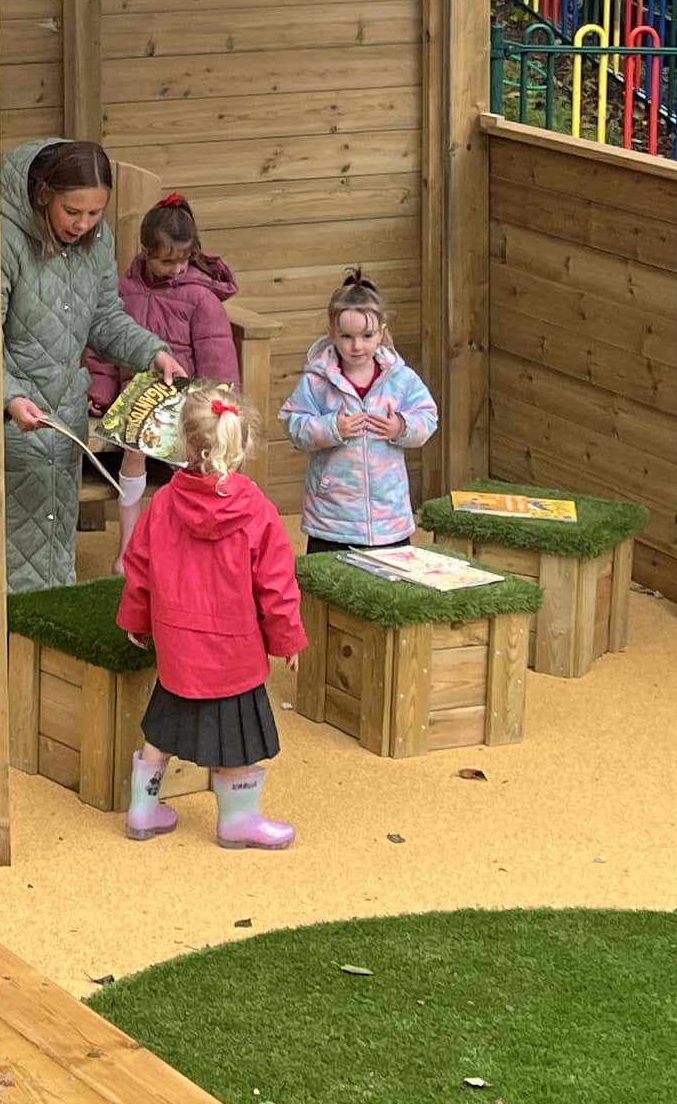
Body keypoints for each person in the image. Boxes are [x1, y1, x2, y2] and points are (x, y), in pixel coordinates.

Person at [116, 385, 304, 847]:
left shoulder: (162, 505)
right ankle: (238, 820)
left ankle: (143, 811)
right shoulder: (257, 509)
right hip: (233, 649)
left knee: (162, 724)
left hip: (179, 647)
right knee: (237, 736)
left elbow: (139, 568)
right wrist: (288, 640)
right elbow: (276, 585)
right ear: (241, 447)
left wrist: (136, 621)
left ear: (183, 443)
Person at [2, 138, 178, 591]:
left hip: (65, 412)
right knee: (14, 546)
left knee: (55, 534)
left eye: (95, 213)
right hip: (12, 419)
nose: (83, 224)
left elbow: (104, 317)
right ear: (44, 195)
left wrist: (151, 352)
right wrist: (9, 397)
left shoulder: (96, 243)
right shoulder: (2, 240)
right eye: (73, 211)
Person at [89, 195, 238, 547]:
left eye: (183, 260)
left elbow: (217, 355)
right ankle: (129, 544)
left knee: (189, 462)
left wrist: (217, 405)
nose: (176, 269)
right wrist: (99, 392)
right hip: (138, 398)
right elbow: (105, 350)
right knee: (134, 446)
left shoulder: (202, 299)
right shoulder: (124, 291)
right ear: (145, 251)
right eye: (167, 261)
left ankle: (187, 541)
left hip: (188, 403)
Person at [283, 268, 437, 550]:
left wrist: (401, 427)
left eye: (367, 336)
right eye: (346, 337)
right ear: (332, 333)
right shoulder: (317, 380)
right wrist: (332, 428)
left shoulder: (401, 379)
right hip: (331, 522)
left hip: (389, 520)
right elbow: (294, 426)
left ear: (381, 332)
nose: (357, 346)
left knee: (389, 591)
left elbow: (428, 417)